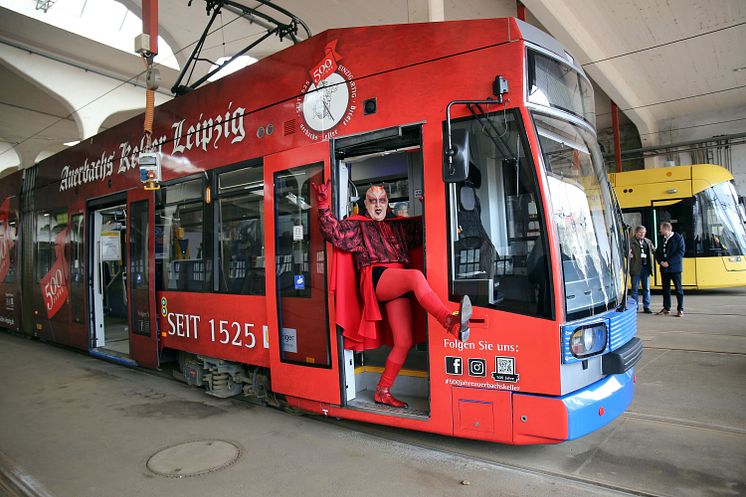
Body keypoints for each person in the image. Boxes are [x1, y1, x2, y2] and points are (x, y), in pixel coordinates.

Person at [313, 182, 470, 409]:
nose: (378, 205)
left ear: (388, 203)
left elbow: (430, 229)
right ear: (365, 204)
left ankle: (382, 390)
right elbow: (333, 233)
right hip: (376, 278)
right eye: (373, 200)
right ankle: (449, 321)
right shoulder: (357, 226)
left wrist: (430, 205)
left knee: (404, 341)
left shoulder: (399, 227)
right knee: (415, 277)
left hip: (399, 284)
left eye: (382, 200)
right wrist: (323, 204)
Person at [655, 221, 685, 317]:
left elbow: (680, 252)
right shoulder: (661, 239)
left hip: (675, 269)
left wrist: (669, 262)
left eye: (661, 229)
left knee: (678, 289)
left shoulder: (678, 238)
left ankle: (680, 309)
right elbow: (657, 252)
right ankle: (666, 308)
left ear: (667, 229)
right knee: (665, 289)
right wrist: (660, 262)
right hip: (664, 269)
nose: (660, 230)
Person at [630, 225, 654, 313]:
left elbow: (653, 250)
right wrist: (628, 254)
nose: (642, 234)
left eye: (644, 232)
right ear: (636, 233)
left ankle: (646, 306)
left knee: (646, 288)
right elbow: (625, 252)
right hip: (636, 268)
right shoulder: (631, 242)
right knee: (635, 289)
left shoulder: (648, 242)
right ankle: (634, 307)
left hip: (646, 268)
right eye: (640, 232)